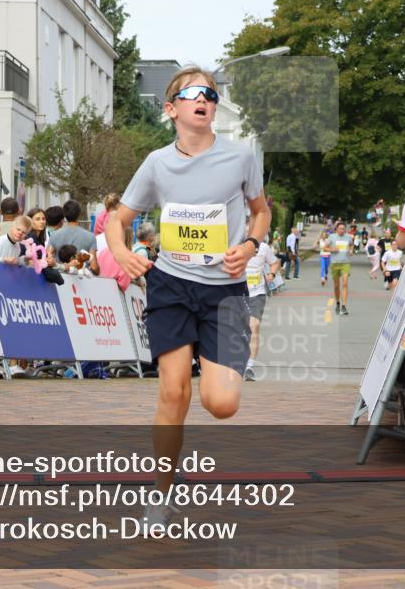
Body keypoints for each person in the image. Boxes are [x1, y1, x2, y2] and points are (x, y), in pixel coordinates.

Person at [105, 66, 270, 532]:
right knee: (173, 392)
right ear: (171, 108)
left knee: (221, 404)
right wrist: (122, 253)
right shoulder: (157, 163)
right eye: (193, 93)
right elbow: (118, 220)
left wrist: (251, 246)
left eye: (211, 94)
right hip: (172, 285)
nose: (204, 100)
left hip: (224, 292)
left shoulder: (240, 158)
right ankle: (160, 496)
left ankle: (228, 356)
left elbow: (261, 213)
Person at [244, 230, 281, 381]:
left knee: (255, 325)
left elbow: (275, 262)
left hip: (257, 293)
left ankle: (249, 367)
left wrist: (271, 274)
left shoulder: (264, 248)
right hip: (236, 294)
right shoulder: (233, 245)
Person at [48, 199, 98, 274]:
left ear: (64, 215)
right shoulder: (90, 236)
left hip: (60, 278)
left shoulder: (54, 235)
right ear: (79, 214)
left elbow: (48, 259)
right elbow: (94, 267)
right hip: (81, 280)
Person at [328, 221, 353, 315]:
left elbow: (351, 244)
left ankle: (344, 306)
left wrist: (351, 250)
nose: (342, 230)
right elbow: (324, 248)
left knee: (345, 283)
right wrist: (332, 249)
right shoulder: (331, 237)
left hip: (345, 263)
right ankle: (338, 303)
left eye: (343, 228)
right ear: (336, 229)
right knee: (336, 285)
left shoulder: (348, 237)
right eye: (340, 228)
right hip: (334, 263)